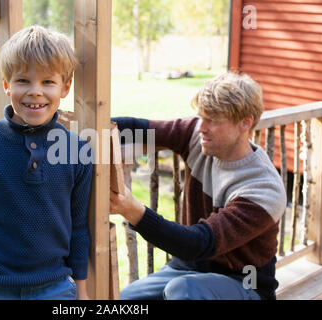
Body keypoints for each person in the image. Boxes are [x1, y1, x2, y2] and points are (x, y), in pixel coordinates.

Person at [0, 26, 93, 300]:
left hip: (55, 289)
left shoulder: (78, 151)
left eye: (48, 82)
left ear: (65, 87)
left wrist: (82, 293)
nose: (35, 92)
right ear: (6, 84)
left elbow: (79, 227)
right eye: (23, 80)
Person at [110, 72, 287, 300]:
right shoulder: (197, 134)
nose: (200, 127)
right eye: (201, 116)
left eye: (212, 119)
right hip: (187, 269)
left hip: (244, 284)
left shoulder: (264, 190)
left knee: (184, 291)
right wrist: (73, 133)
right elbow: (136, 127)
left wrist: (132, 210)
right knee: (119, 301)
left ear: (245, 122)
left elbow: (198, 243)